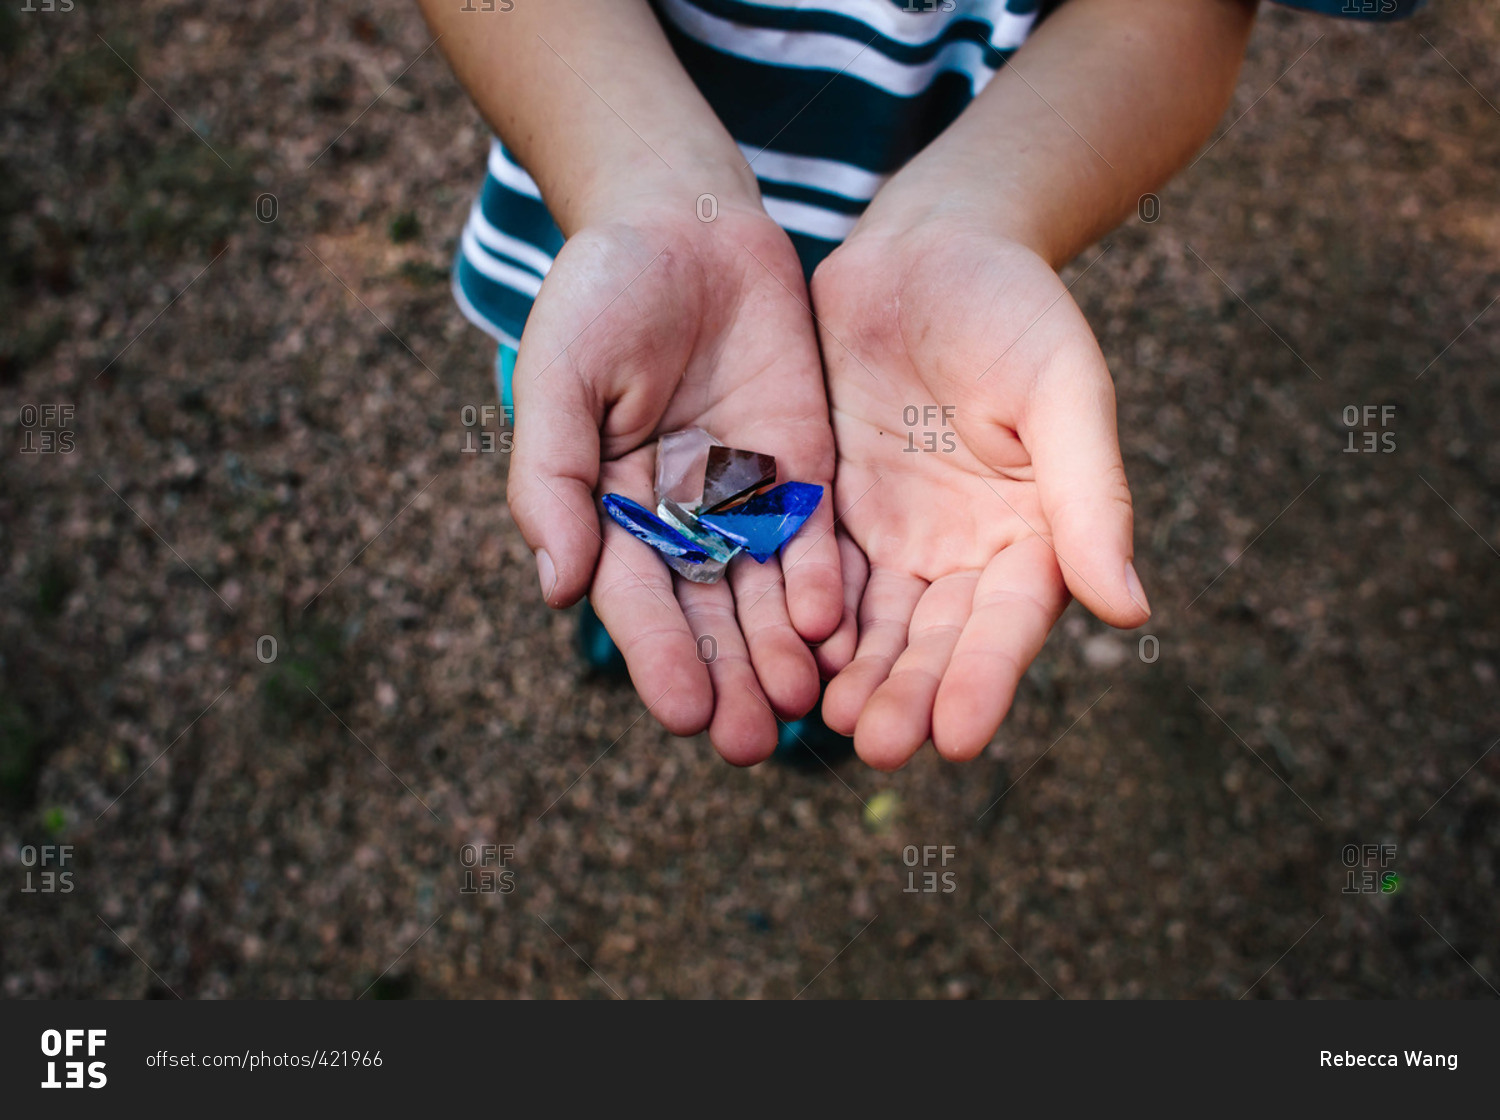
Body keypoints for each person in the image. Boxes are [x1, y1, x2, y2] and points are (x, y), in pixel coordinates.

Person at [418, 0, 1423, 769]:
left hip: (925, 270)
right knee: (622, 496)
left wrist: (972, 218)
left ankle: (805, 698)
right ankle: (633, 629)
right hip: (619, 279)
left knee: (815, 612)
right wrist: (640, 194)